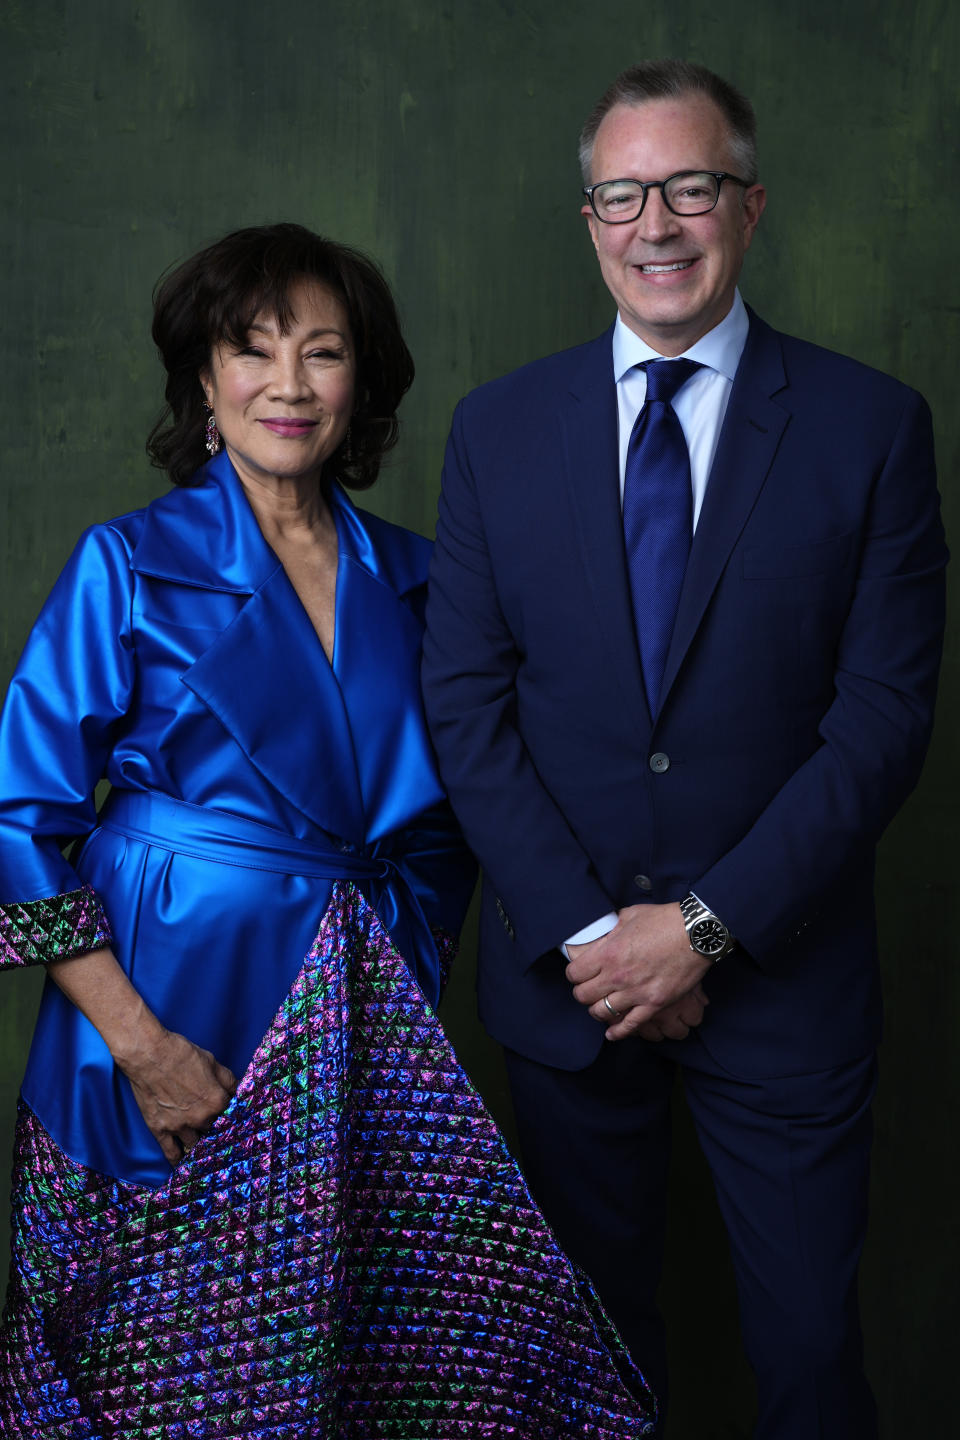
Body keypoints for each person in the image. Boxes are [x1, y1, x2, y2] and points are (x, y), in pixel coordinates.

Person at [0, 223, 657, 1437]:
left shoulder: (424, 579)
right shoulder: (129, 565)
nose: (288, 385)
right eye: (252, 351)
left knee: (343, 1384)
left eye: (324, 351)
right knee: (149, 1382)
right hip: (153, 1025)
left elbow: (464, 812)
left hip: (352, 1039)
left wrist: (394, 996)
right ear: (203, 381)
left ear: (365, 385)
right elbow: (17, 823)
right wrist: (143, 1048)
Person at [422, 60, 947, 1440]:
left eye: (691, 187)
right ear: (589, 218)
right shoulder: (498, 432)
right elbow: (466, 711)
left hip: (786, 988)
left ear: (750, 206)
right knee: (585, 1375)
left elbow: (882, 722)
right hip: (569, 990)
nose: (656, 223)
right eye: (622, 193)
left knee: (810, 1367)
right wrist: (606, 938)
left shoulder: (871, 430)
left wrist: (704, 929)